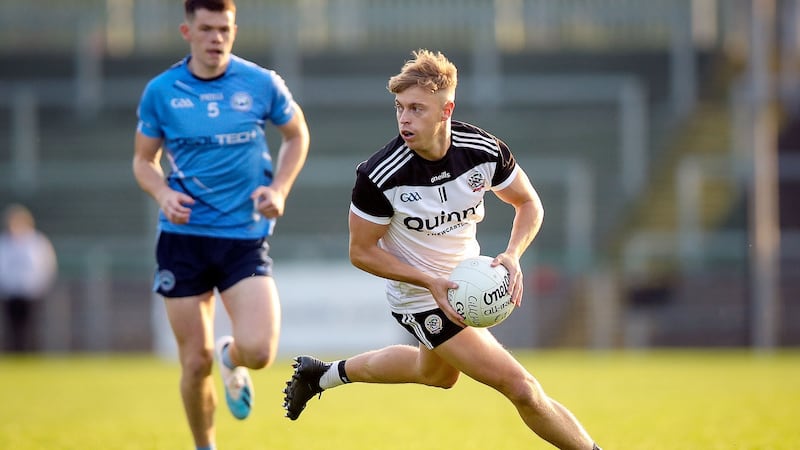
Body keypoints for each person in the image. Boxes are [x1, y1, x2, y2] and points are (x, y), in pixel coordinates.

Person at [283, 49, 601, 450]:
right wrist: (429, 281)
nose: (404, 118)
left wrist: (513, 254)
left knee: (435, 374)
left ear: (446, 109)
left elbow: (528, 203)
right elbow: (361, 251)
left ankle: (322, 375)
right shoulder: (380, 175)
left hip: (464, 285)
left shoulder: (482, 150)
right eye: (400, 108)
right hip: (419, 296)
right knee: (521, 387)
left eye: (417, 108)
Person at [132, 0, 310, 448]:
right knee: (194, 361)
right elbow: (142, 160)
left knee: (261, 351)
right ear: (186, 31)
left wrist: (281, 190)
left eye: (224, 29)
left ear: (234, 30)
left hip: (242, 238)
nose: (216, 38)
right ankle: (205, 446)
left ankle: (233, 359)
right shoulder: (162, 91)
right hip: (183, 240)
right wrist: (163, 192)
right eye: (207, 28)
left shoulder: (260, 82)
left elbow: (297, 135)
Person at [0, 204, 57, 353]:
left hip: (31, 292)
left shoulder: (36, 242)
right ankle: (13, 353)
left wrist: (40, 285)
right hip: (10, 292)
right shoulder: (4, 243)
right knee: (12, 326)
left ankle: (30, 353)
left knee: (31, 325)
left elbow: (46, 265)